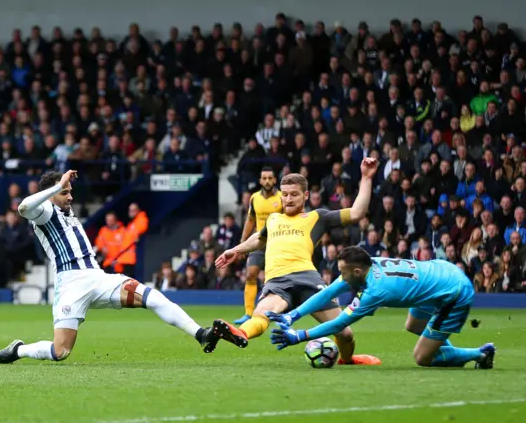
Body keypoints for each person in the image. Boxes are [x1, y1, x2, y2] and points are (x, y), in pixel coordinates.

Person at [0, 170, 218, 364]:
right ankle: (18, 350)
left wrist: (60, 187)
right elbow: (23, 208)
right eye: (65, 192)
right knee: (61, 352)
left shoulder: (66, 211)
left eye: (70, 192)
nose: (70, 197)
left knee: (151, 297)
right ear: (51, 195)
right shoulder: (44, 212)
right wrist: (56, 185)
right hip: (71, 285)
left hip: (97, 278)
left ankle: (201, 334)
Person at [210, 158, 381, 365]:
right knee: (261, 314)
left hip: (308, 279)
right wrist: (235, 250)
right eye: (285, 195)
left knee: (344, 334)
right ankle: (239, 333)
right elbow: (259, 238)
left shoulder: (317, 217)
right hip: (278, 281)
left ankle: (348, 359)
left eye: (294, 194)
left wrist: (366, 177)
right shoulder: (274, 219)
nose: (288, 199)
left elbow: (356, 213)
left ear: (305, 195)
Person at [268, 247, 496, 369]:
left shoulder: (375, 291)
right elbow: (327, 293)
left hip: (453, 293)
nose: (341, 277)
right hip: (438, 275)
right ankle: (439, 346)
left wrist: (298, 336)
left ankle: (480, 354)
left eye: (343, 273)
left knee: (422, 358)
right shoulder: (368, 263)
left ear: (356, 272)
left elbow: (340, 323)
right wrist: (291, 316)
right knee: (413, 324)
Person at [234, 167, 283, 325]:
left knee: (276, 280)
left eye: (270, 178)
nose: (267, 181)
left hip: (277, 244)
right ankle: (248, 314)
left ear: (275, 180)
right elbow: (250, 220)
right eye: (264, 178)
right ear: (260, 181)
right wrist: (243, 243)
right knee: (250, 274)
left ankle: (277, 314)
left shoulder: (282, 197)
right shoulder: (254, 198)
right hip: (259, 243)